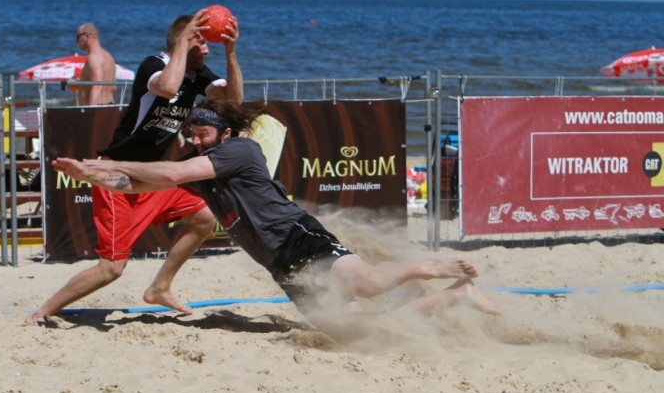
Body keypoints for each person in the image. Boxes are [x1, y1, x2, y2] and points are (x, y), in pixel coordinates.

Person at [52, 98, 502, 328]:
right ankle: (455, 297)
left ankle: (428, 267)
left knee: (364, 284)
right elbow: (134, 184)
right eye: (191, 134)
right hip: (278, 263)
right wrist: (89, 173)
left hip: (299, 237)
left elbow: (168, 171)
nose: (195, 139)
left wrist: (107, 162)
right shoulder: (202, 169)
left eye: (202, 132)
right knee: (357, 330)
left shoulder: (238, 150)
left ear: (223, 132)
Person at [26, 9, 243, 325]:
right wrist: (183, 43)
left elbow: (234, 100)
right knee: (112, 268)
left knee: (205, 216)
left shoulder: (198, 74)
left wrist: (230, 51)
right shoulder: (153, 65)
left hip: (150, 177)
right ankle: (42, 311)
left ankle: (160, 287)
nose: (207, 49)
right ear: (182, 42)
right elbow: (168, 89)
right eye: (202, 43)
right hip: (118, 174)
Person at [75, 23, 116, 106]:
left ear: (87, 35)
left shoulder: (93, 57)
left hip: (98, 109)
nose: (77, 42)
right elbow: (113, 88)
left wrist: (91, 112)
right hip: (110, 107)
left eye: (78, 37)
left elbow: (98, 85)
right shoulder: (109, 57)